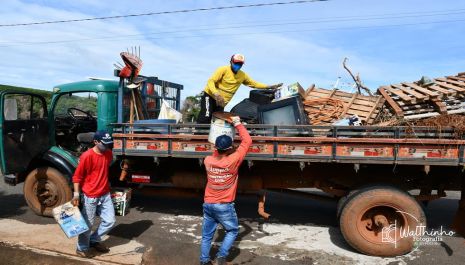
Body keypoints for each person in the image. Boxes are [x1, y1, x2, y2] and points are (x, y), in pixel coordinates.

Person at [200, 116, 252, 265]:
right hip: (224, 205)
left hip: (208, 204)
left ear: (215, 148)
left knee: (207, 236)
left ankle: (204, 261)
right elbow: (247, 141)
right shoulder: (233, 161)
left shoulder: (207, 161)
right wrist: (237, 123)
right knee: (233, 231)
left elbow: (215, 152)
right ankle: (221, 257)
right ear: (230, 148)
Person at [197, 53, 282, 124]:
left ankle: (208, 139)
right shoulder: (223, 70)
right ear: (231, 62)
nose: (238, 65)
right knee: (206, 116)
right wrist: (216, 93)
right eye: (236, 63)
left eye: (240, 64)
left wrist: (269, 87)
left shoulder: (242, 75)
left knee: (217, 120)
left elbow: (254, 84)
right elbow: (211, 81)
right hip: (211, 96)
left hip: (221, 102)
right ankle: (197, 137)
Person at [72, 130, 116, 258]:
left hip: (105, 194)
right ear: (95, 142)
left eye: (108, 144)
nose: (107, 146)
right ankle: (82, 248)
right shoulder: (86, 156)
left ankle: (94, 240)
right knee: (87, 224)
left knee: (110, 220)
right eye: (104, 143)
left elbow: (103, 170)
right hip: (90, 196)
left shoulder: (108, 154)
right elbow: (77, 177)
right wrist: (76, 195)